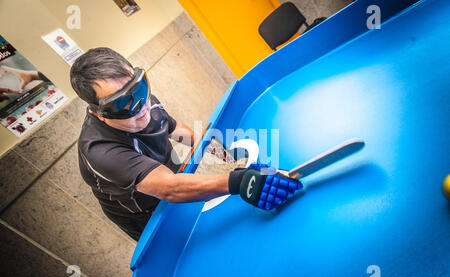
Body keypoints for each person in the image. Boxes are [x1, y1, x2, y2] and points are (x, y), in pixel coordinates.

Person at [71, 47, 301, 241]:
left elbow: (172, 127)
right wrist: (240, 181)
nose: (141, 106)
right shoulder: (101, 152)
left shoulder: (142, 103)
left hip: (171, 179)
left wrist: (225, 155)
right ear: (99, 113)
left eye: (138, 87)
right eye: (122, 102)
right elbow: (168, 187)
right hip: (148, 214)